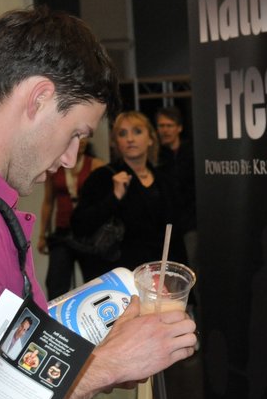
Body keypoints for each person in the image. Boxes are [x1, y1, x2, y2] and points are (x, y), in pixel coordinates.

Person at [0, 5, 198, 399]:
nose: (69, 158)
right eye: (75, 134)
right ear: (38, 98)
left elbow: (12, 359)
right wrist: (105, 364)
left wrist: (98, 344)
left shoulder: (6, 207)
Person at [72, 111, 187, 281]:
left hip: (158, 278)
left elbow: (175, 236)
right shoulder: (103, 177)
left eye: (137, 131)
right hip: (119, 278)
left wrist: (182, 283)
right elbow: (79, 225)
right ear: (116, 142)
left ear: (150, 139)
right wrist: (114, 197)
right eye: (122, 134)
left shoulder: (165, 182)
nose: (130, 139)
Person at [37, 137, 105, 299]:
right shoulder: (55, 166)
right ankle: (57, 314)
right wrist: (42, 235)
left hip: (88, 233)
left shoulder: (96, 165)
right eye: (77, 137)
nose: (81, 142)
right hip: (62, 232)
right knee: (56, 283)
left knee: (95, 280)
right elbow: (48, 202)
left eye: (85, 137)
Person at [155, 106, 197, 274]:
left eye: (169, 125)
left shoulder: (193, 152)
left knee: (192, 266)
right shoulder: (155, 155)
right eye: (161, 125)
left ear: (179, 128)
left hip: (190, 222)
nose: (165, 130)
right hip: (165, 225)